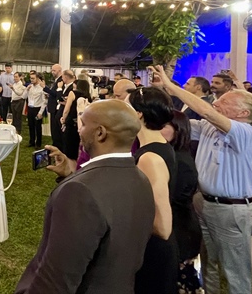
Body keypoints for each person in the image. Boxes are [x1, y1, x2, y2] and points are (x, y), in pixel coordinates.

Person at [15, 100, 155, 294]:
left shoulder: (79, 193)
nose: (79, 130)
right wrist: (69, 175)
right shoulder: (141, 179)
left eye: (83, 123)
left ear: (100, 133)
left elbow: (57, 280)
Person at [153, 64, 252, 294]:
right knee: (208, 264)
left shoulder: (247, 133)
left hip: (231, 210)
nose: (216, 102)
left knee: (235, 273)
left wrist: (171, 87)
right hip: (203, 203)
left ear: (243, 113)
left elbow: (206, 112)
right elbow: (176, 121)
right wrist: (159, 95)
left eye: (225, 102)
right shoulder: (209, 128)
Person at [128, 86, 178, 294]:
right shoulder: (159, 146)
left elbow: (163, 227)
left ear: (138, 114)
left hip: (153, 251)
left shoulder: (150, 158)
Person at [160, 110, 202, 293]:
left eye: (163, 127)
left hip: (180, 229)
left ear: (178, 130)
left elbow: (174, 198)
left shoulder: (180, 160)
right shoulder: (169, 155)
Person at [60, 79, 92, 160]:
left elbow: (67, 109)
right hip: (82, 124)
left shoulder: (72, 93)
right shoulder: (88, 97)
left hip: (71, 122)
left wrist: (63, 118)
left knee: (69, 146)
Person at [43, 64, 63, 150]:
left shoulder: (60, 81)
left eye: (54, 70)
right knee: (54, 131)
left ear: (59, 70)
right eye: (52, 70)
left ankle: (57, 147)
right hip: (53, 107)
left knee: (55, 131)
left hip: (56, 108)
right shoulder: (57, 80)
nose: (52, 72)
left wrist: (45, 88)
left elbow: (57, 94)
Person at [25, 72, 47, 148]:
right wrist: (27, 90)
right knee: (31, 125)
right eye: (30, 78)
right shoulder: (30, 87)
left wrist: (40, 112)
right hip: (30, 108)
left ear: (37, 78)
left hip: (38, 109)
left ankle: (38, 143)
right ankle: (31, 141)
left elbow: (44, 101)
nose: (31, 80)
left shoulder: (42, 88)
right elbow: (24, 97)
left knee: (38, 126)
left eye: (33, 78)